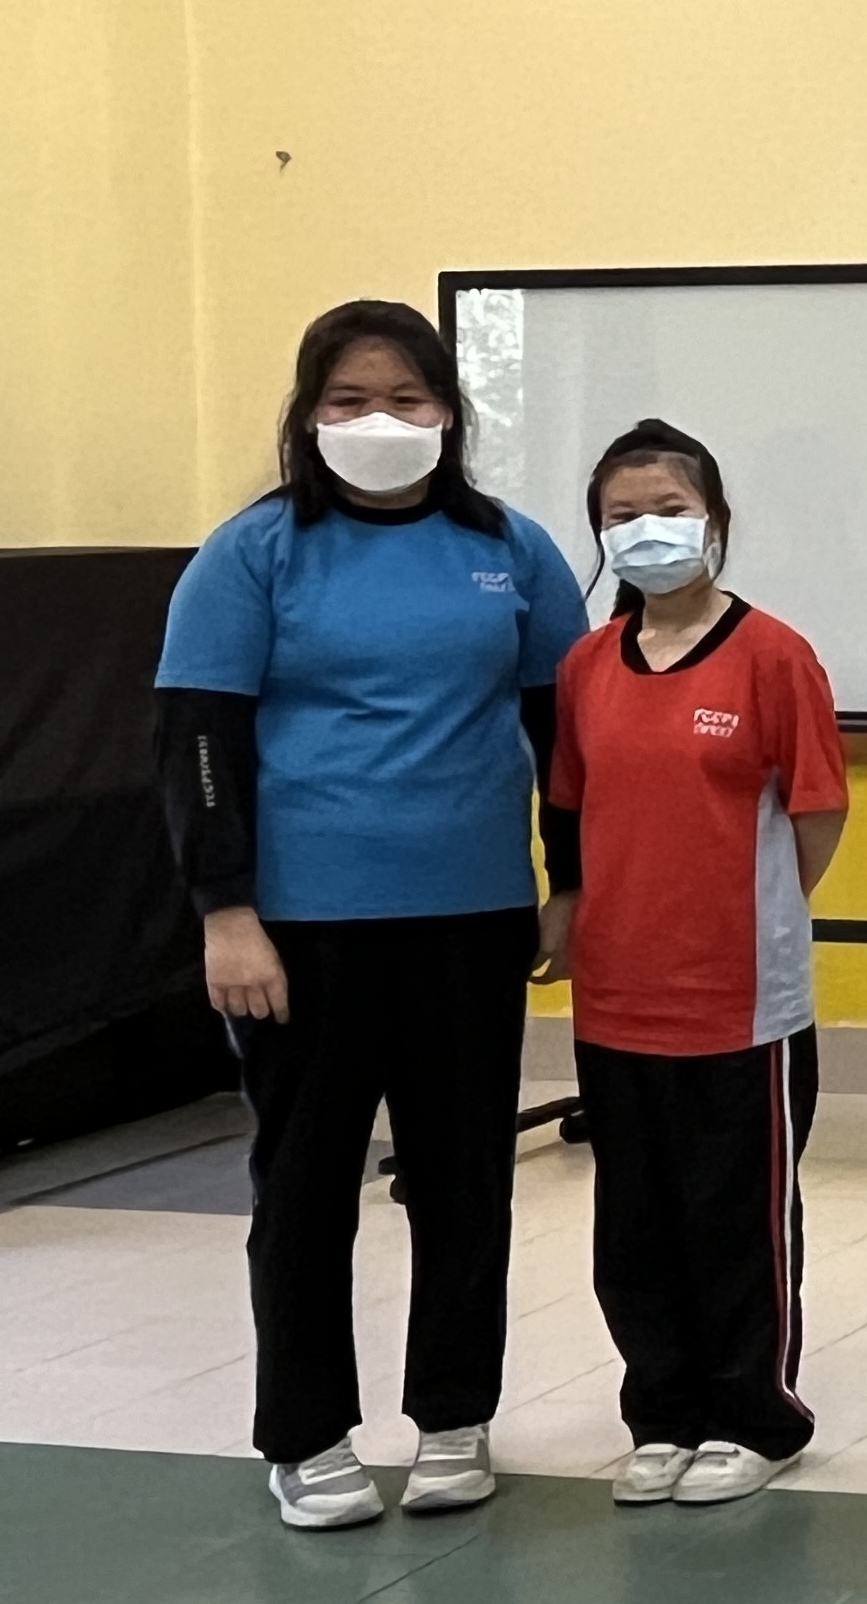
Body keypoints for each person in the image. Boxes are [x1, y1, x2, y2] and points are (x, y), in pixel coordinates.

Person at [155, 299, 588, 1531]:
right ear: (308, 416)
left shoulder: (510, 549)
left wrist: (572, 883)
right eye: (348, 401)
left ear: (448, 412)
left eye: (406, 399)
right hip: (300, 934)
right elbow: (196, 744)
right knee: (304, 1185)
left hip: (472, 918)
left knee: (465, 1179)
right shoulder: (252, 552)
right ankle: (305, 1435)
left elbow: (568, 736)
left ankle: (455, 1416)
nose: (379, 421)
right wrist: (225, 913)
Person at [543, 420, 851, 1508]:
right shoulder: (586, 666)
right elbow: (570, 806)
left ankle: (755, 1417)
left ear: (715, 521)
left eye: (669, 510)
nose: (648, 532)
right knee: (634, 1225)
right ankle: (663, 1413)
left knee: (737, 1220)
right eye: (622, 516)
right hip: (615, 997)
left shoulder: (775, 656)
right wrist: (572, 912)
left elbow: (817, 814)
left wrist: (751, 918)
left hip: (741, 1002)